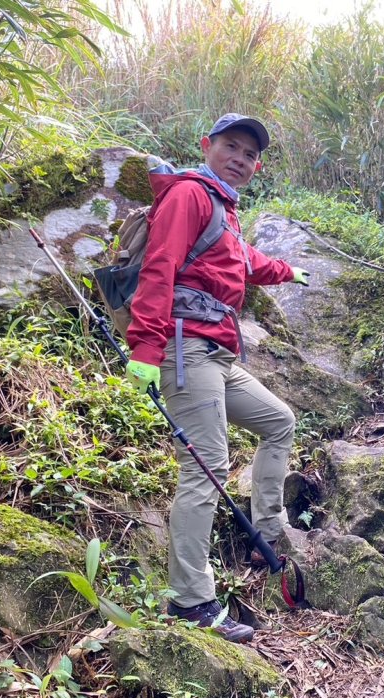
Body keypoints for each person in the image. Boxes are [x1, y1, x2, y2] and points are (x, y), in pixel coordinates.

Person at [123, 114, 309, 643]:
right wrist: (145, 347)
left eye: (250, 154)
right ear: (207, 146)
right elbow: (160, 267)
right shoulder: (189, 196)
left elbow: (242, 261)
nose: (241, 159)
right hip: (186, 350)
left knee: (279, 421)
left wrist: (285, 270)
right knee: (206, 467)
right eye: (231, 147)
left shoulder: (223, 209)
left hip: (218, 355)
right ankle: (190, 601)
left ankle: (267, 533)